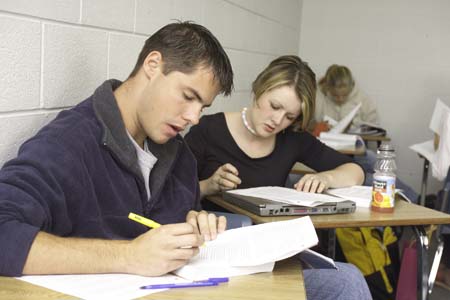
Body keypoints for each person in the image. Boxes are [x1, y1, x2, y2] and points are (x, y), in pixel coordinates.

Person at [0, 22, 233, 277]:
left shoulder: (181, 155)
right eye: (188, 96)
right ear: (153, 65)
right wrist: (128, 255)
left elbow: (180, 220)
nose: (194, 117)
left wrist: (194, 225)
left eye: (203, 107)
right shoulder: (69, 143)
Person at [185, 55, 372, 300]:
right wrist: (209, 186)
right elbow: (170, 196)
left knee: (349, 279)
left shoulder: (292, 139)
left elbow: (355, 170)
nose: (278, 121)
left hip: (272, 256)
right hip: (219, 256)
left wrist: (327, 178)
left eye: (290, 116)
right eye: (275, 106)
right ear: (258, 89)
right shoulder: (208, 130)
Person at [314, 64, 418, 202]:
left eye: (344, 95)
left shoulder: (361, 97)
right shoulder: (319, 96)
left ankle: (410, 196)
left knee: (373, 160)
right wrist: (320, 126)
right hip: (327, 148)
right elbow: (310, 123)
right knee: (369, 177)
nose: (340, 99)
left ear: (351, 88)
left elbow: (373, 123)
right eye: (335, 95)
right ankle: (410, 197)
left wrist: (356, 128)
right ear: (328, 89)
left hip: (354, 148)